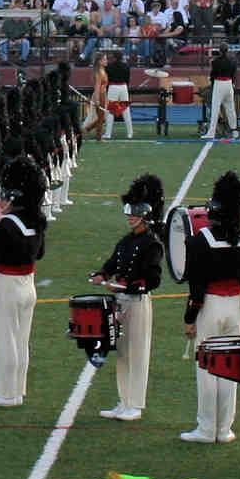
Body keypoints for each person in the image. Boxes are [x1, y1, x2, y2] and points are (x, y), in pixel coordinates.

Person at [180, 172, 240, 445]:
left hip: (210, 307)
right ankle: (224, 429)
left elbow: (196, 287)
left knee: (206, 368)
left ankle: (206, 428)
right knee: (229, 367)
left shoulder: (201, 241)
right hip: (234, 308)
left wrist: (190, 318)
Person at [92, 173, 165, 422]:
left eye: (134, 213)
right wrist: (103, 274)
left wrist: (127, 286)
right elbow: (113, 262)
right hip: (121, 302)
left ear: (145, 215)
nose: (129, 217)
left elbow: (153, 279)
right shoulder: (127, 240)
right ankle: (123, 400)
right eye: (129, 213)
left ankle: (136, 403)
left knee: (137, 352)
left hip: (137, 303)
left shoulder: (152, 243)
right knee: (122, 352)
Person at [0, 160, 46, 407]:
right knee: (21, 340)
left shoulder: (6, 225)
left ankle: (5, 394)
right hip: (28, 284)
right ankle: (18, 390)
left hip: (6, 284)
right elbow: (39, 254)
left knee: (4, 340)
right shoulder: (36, 221)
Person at [204, 47, 240, 141]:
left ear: (220, 51)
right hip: (229, 84)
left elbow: (213, 75)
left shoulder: (215, 61)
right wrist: (232, 83)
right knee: (230, 109)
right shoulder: (232, 61)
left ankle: (211, 132)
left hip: (219, 83)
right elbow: (234, 73)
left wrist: (212, 83)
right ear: (227, 50)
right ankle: (234, 131)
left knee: (215, 109)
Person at [100, 49, 133, 140]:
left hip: (113, 87)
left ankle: (108, 133)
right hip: (123, 87)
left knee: (110, 111)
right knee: (126, 110)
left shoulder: (109, 67)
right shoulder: (126, 66)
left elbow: (106, 80)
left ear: (114, 58)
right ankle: (130, 133)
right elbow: (127, 80)